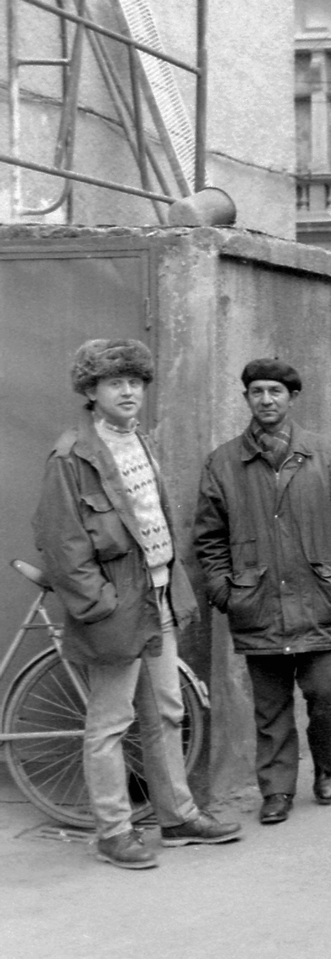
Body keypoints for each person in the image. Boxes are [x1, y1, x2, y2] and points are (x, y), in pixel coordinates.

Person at [32, 339, 241, 870]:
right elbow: (62, 545)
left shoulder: (140, 441)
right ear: (91, 391)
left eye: (135, 382)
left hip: (158, 598)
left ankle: (176, 818)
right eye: (114, 383)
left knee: (167, 712)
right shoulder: (72, 456)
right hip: (115, 607)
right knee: (110, 722)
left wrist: (170, 589)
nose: (128, 391)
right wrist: (100, 606)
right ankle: (113, 831)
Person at [194, 359, 331, 825]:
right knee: (270, 706)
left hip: (319, 597)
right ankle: (276, 790)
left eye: (275, 391)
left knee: (324, 693)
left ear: (292, 398)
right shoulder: (224, 462)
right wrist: (224, 590)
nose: (266, 400)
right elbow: (209, 538)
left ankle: (326, 764)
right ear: (247, 398)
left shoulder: (324, 455)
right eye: (257, 392)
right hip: (257, 602)